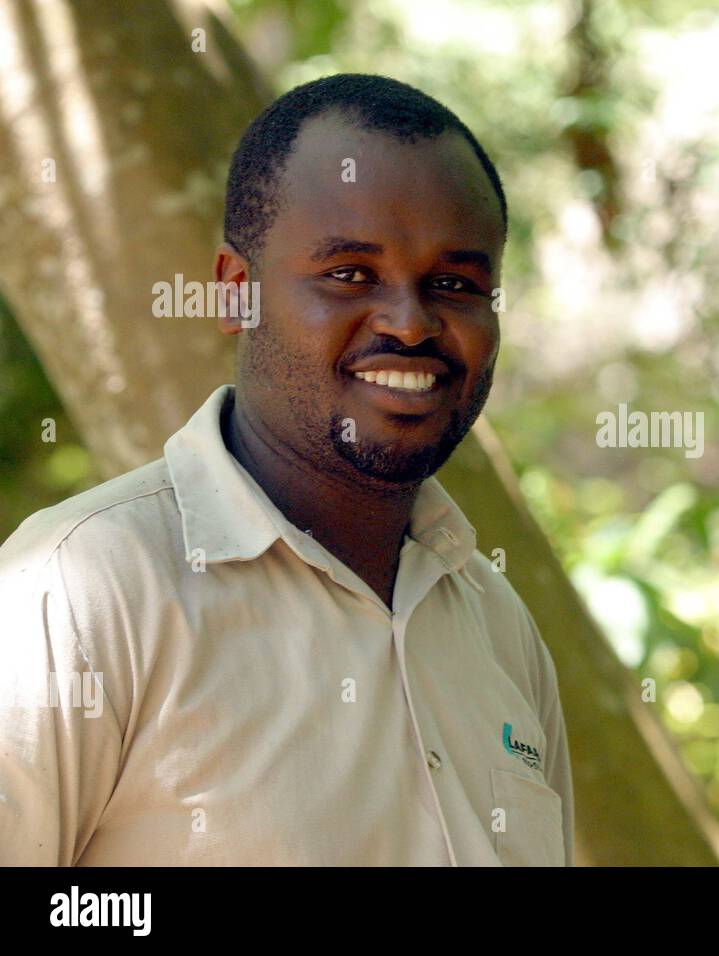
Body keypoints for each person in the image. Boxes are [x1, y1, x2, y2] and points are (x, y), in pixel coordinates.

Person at [0, 74, 573, 866]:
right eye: (349, 274)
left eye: (455, 284)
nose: (409, 323)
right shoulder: (82, 592)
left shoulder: (496, 625)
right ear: (239, 294)